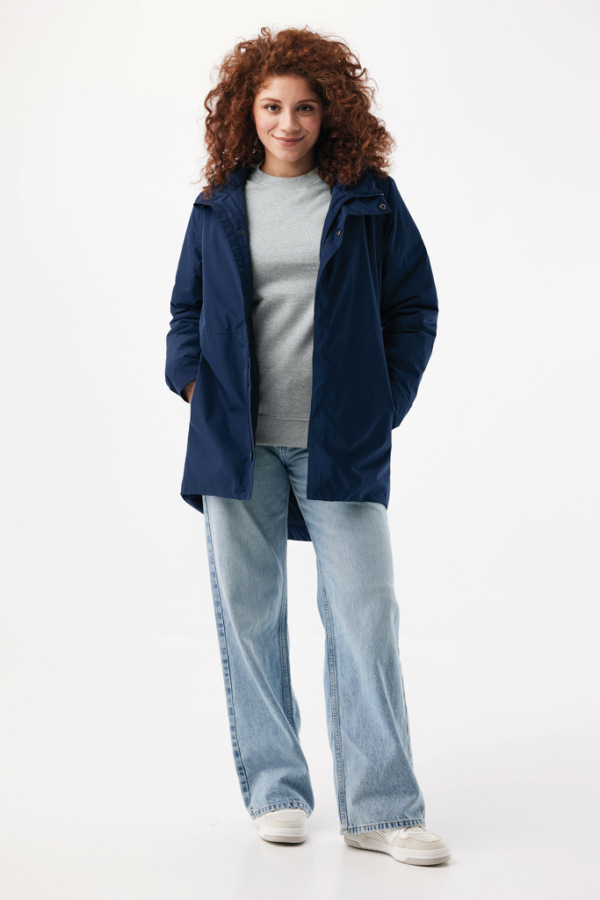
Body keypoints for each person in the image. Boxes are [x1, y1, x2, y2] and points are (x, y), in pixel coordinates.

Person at [164, 25, 451, 866]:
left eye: (305, 108)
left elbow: (414, 307)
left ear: (332, 114)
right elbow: (186, 313)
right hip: (236, 445)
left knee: (365, 615)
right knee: (250, 618)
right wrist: (194, 387)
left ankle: (382, 810)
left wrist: (383, 402)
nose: (287, 123)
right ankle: (277, 792)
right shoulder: (219, 205)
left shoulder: (367, 198)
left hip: (339, 444)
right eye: (271, 107)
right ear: (245, 112)